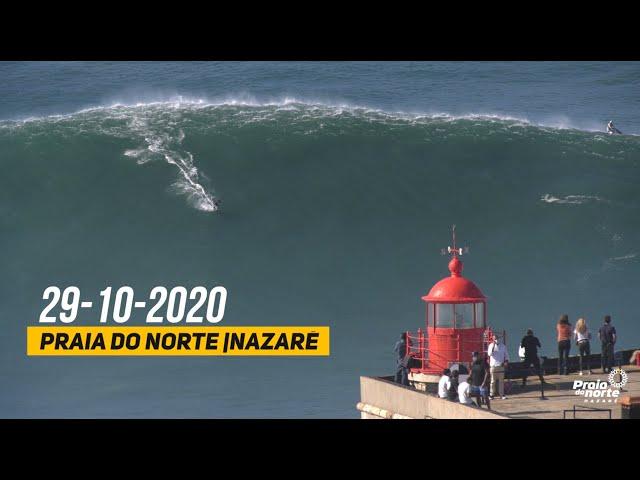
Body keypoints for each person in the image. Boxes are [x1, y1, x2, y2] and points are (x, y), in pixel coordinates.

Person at [487, 335, 509, 400]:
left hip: (501, 365)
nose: (496, 340)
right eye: (495, 339)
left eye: (497, 338)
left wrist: (506, 362)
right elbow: (489, 354)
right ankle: (491, 395)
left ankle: (502, 395)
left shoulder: (503, 346)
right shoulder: (490, 345)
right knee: (492, 381)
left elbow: (506, 355)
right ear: (492, 339)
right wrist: (494, 345)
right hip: (493, 366)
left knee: (501, 381)